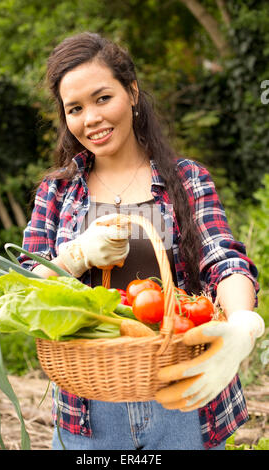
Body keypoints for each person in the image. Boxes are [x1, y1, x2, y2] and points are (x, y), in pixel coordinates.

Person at [18, 32, 264, 450]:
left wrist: (242, 324)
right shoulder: (57, 192)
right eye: (74, 108)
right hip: (89, 408)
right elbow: (25, 287)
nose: (90, 118)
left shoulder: (186, 179)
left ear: (131, 92)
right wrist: (76, 255)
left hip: (185, 395)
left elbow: (224, 259)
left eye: (102, 98)